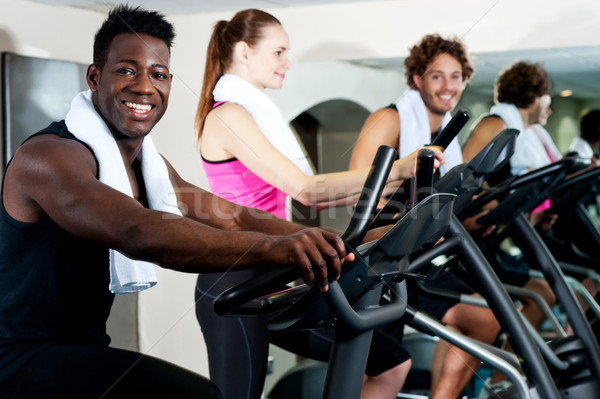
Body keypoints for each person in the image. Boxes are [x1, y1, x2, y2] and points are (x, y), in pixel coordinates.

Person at [0, 6, 353, 399]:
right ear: (95, 77)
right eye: (127, 70)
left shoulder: (143, 163)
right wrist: (277, 248)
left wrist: (332, 241)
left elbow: (230, 217)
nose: (145, 87)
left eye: (159, 74)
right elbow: (139, 231)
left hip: (81, 348)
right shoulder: (48, 157)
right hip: (17, 359)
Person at [193, 9, 443, 399]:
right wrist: (397, 168)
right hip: (234, 279)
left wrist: (398, 189)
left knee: (392, 363)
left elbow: (320, 196)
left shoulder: (255, 113)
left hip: (273, 275)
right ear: (244, 51)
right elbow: (307, 191)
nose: (287, 63)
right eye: (278, 52)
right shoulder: (228, 117)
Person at [349, 34, 502, 399]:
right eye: (437, 76)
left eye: (455, 76)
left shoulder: (448, 132)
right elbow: (358, 191)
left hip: (416, 260)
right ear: (417, 79)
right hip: (378, 261)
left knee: (486, 321)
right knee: (380, 369)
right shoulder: (391, 118)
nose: (448, 86)